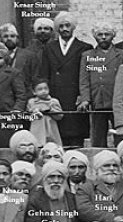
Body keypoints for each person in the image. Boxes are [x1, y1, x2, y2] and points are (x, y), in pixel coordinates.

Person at [38, 12, 93, 147]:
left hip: (75, 97)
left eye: (67, 25)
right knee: (57, 135)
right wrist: (46, 96)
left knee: (76, 135)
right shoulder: (49, 48)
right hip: (55, 97)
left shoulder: (85, 47)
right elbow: (44, 73)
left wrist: (83, 96)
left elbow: (88, 76)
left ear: (73, 27)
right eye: (61, 26)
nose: (64, 29)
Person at [77, 22, 123, 147]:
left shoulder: (122, 55)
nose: (103, 37)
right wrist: (85, 99)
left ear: (113, 36)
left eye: (107, 34)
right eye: (100, 34)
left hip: (117, 101)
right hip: (98, 100)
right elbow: (84, 80)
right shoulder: (87, 55)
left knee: (121, 136)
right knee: (98, 138)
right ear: (95, 36)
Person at [0, 23, 41, 92]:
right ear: (0, 39)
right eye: (5, 36)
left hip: (25, 94)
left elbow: (35, 78)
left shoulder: (29, 56)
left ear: (17, 38)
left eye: (12, 36)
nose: (9, 38)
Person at [26, 79, 63, 146]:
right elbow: (28, 116)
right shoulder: (31, 102)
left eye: (45, 88)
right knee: (37, 144)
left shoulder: (53, 101)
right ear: (34, 92)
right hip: (37, 128)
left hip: (50, 127)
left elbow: (59, 116)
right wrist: (35, 111)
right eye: (40, 89)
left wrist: (50, 110)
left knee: (52, 145)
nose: (44, 91)